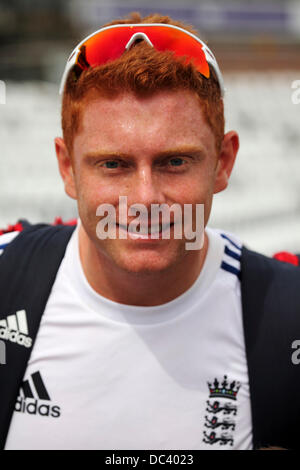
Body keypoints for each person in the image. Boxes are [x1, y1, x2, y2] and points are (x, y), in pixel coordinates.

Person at [0, 12, 300, 451]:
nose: (144, 200)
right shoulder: (8, 278)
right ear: (67, 168)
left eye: (175, 162)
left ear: (222, 163)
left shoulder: (289, 314)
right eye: (113, 164)